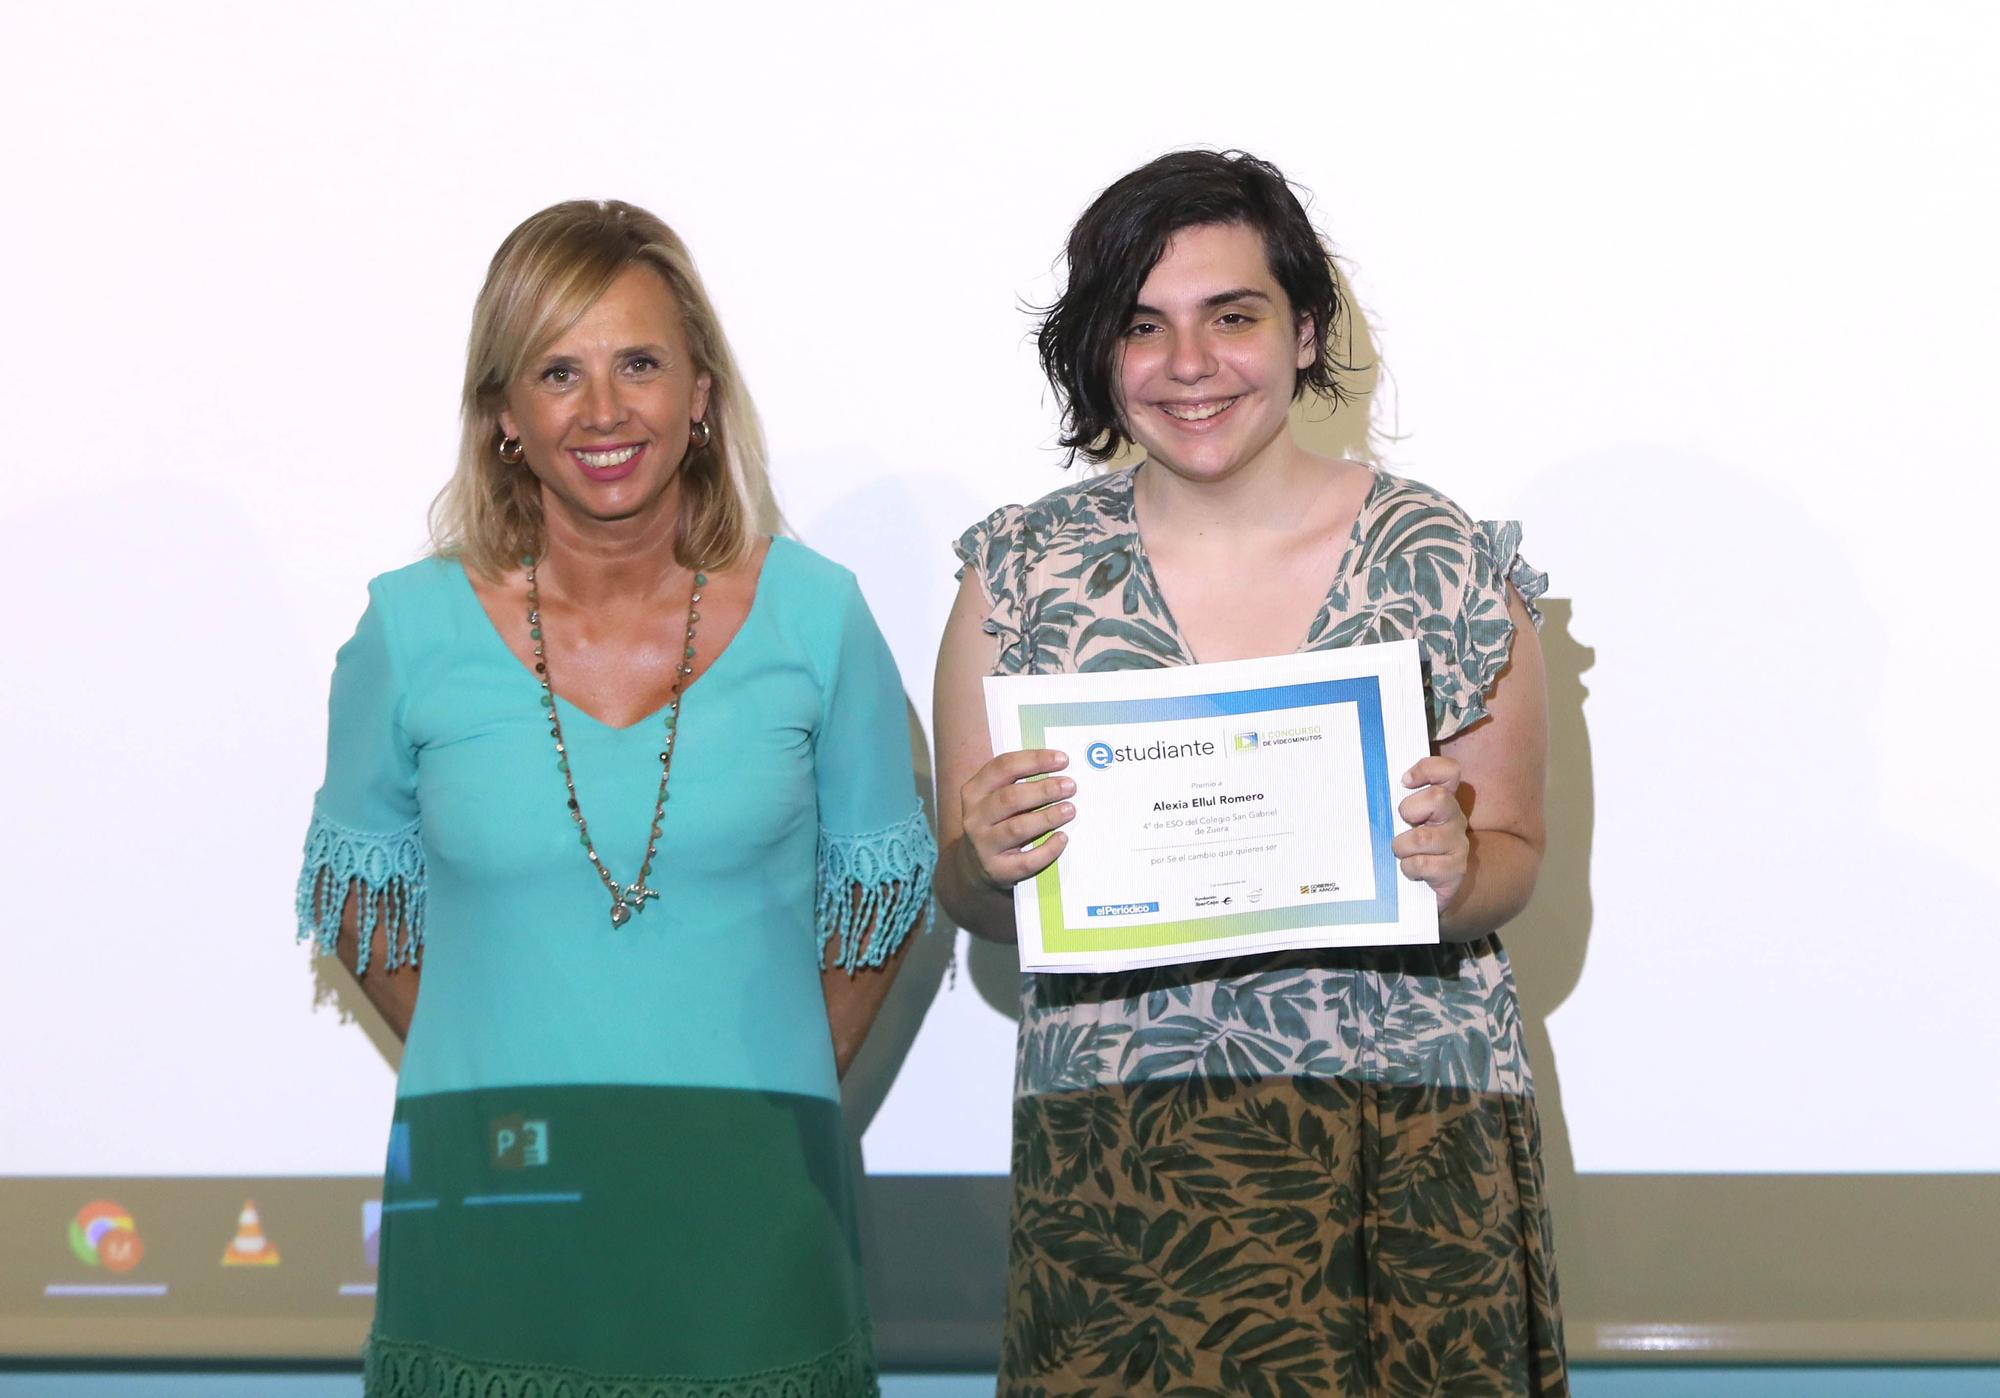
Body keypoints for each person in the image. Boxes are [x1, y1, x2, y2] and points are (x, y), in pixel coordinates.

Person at [934, 151, 1566, 1395]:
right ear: (1094, 354)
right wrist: (984, 854)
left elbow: (1515, 865)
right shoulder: (1016, 574)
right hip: (1123, 1155)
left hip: (1405, 1126)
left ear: (1303, 331)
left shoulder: (1440, 557)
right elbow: (970, 893)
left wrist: (1453, 863)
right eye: (1141, 326)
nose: (1189, 365)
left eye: (1232, 317)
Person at [296, 199, 933, 1396]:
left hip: (750, 1213)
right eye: (557, 371)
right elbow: (358, 901)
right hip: (491, 1201)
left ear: (699, 395)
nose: (602, 411)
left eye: (639, 363)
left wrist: (763, 1094)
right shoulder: (403, 629)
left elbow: (883, 897)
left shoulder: (820, 616)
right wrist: (501, 1071)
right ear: (504, 416)